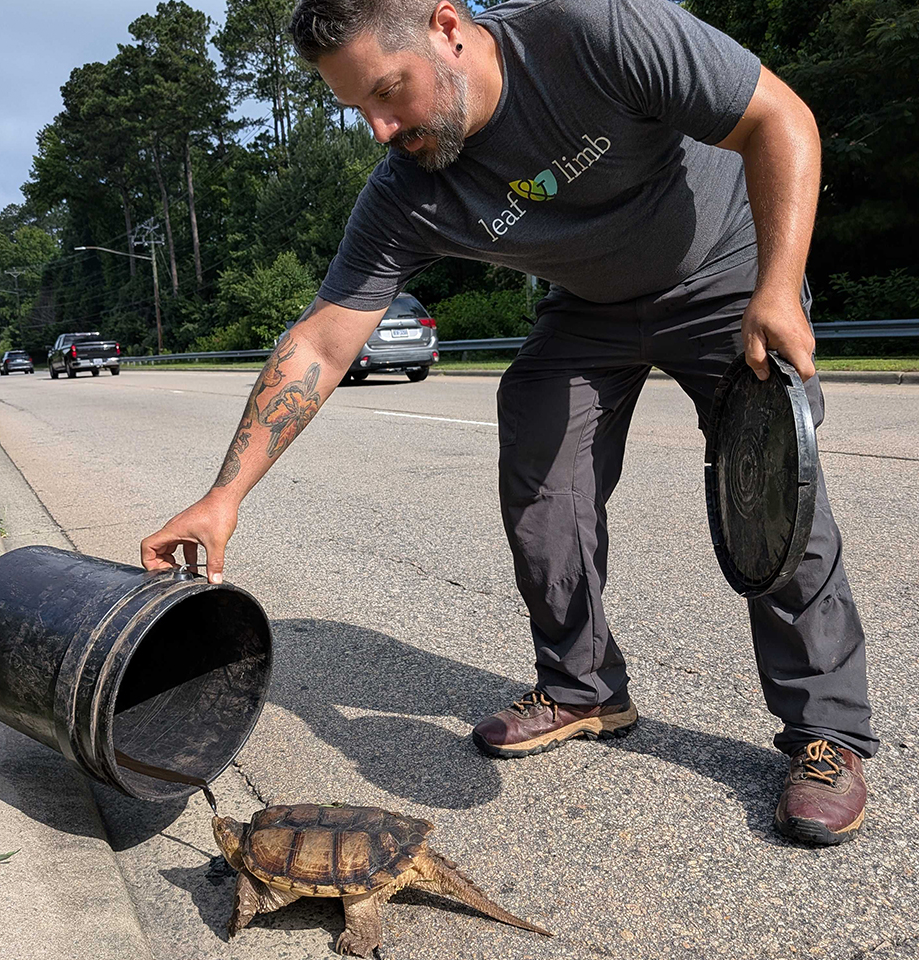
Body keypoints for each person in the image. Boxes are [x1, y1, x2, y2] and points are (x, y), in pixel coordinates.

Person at [141, 0, 877, 846]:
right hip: (592, 307)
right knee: (538, 457)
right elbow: (320, 341)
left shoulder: (595, 32)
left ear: (448, 28)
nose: (379, 129)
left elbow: (779, 118)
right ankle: (583, 687)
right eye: (359, 111)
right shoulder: (407, 190)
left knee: (772, 488)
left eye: (389, 92)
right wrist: (224, 494)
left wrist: (778, 288)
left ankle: (826, 733)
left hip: (722, 266)